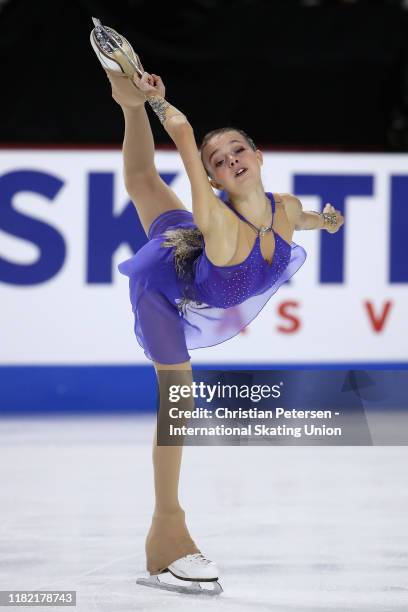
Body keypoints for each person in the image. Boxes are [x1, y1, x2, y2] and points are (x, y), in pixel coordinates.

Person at [90, 19, 344, 596]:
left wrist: (324, 221)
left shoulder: (285, 206)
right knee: (178, 404)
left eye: (238, 148)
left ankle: (121, 100)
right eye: (217, 158)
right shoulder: (217, 222)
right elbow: (182, 135)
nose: (230, 158)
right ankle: (168, 529)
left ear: (258, 154)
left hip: (189, 248)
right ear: (212, 177)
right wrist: (156, 104)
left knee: (141, 186)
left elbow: (299, 220)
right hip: (166, 288)